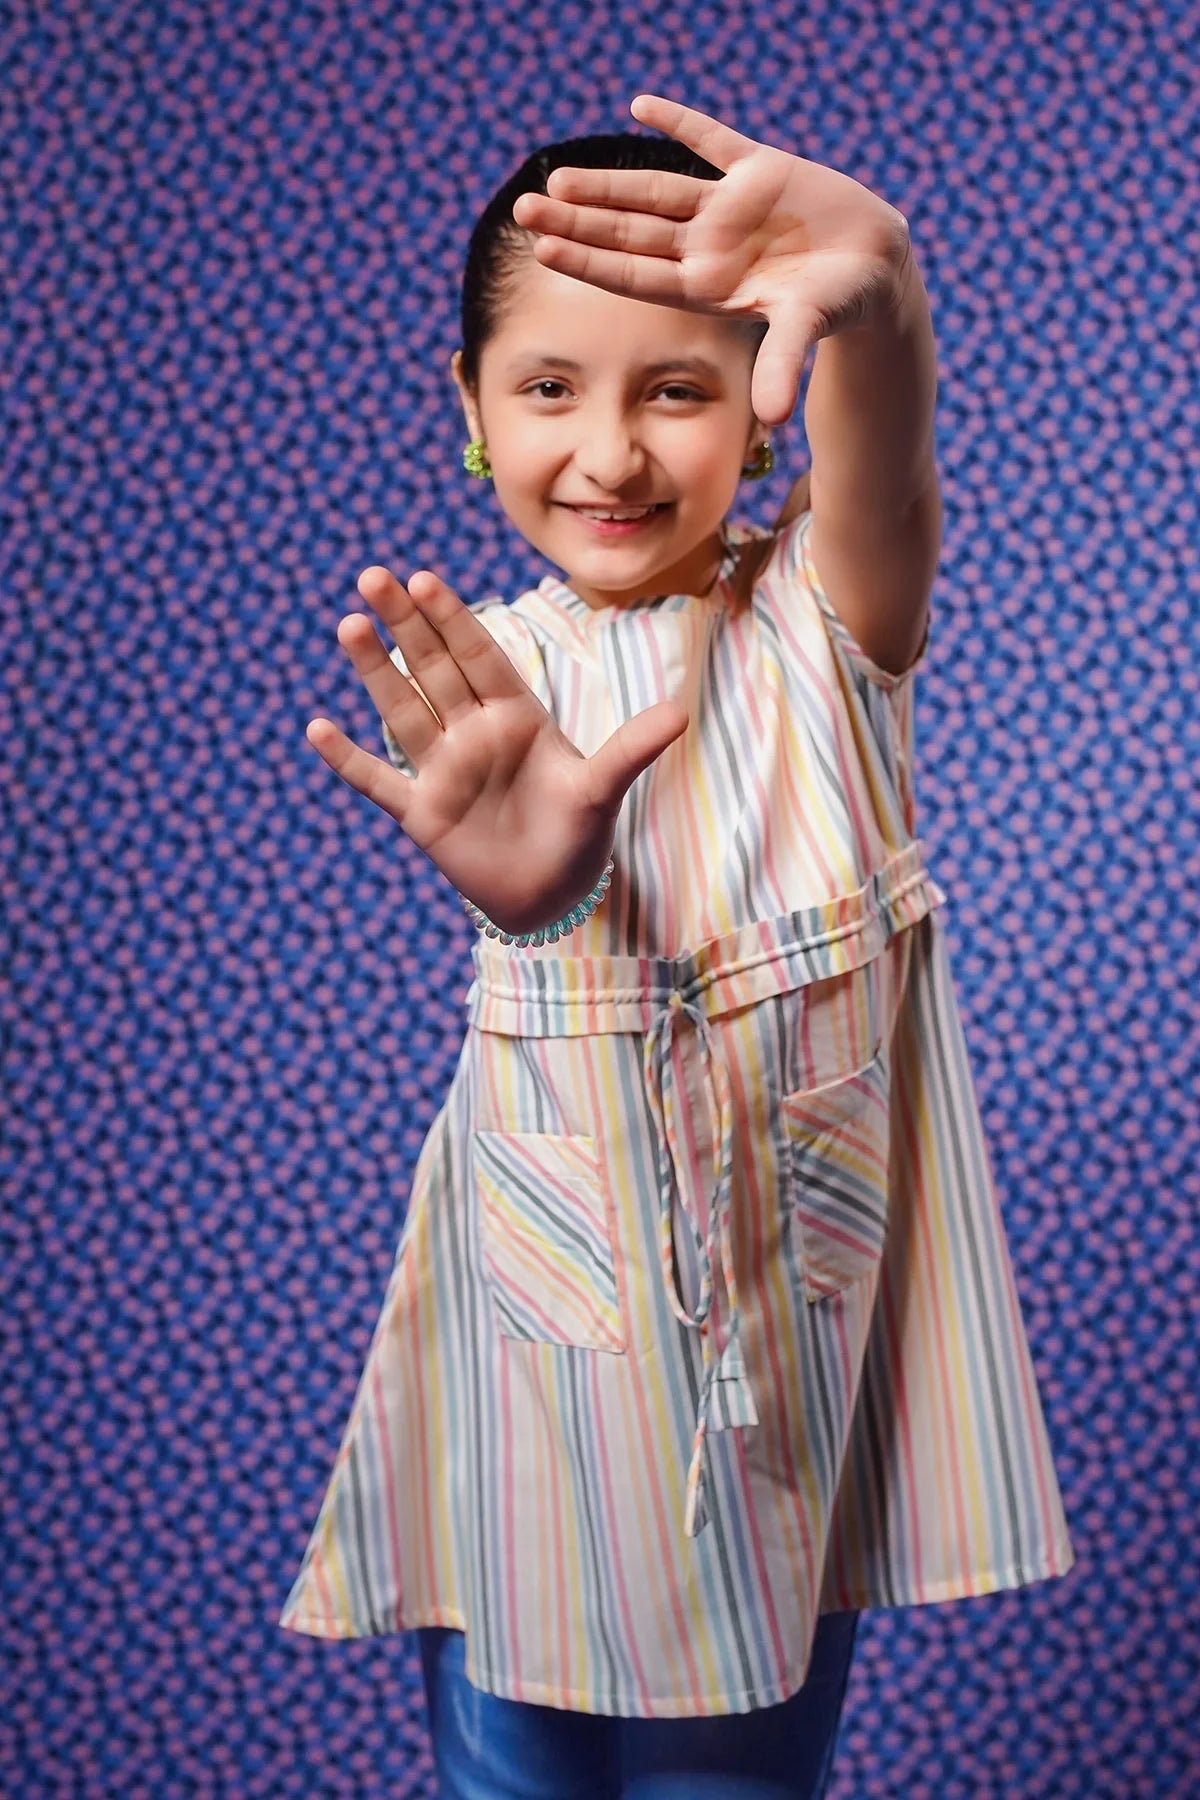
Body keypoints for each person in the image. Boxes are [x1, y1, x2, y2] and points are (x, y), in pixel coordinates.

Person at [278, 95, 1075, 1797]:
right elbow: (533, 909)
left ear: (765, 402)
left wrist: (882, 287)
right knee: (508, 1768)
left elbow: (886, 465)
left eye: (677, 390)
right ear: (471, 407)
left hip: (770, 1355)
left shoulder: (821, 624)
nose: (613, 455)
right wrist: (532, 907)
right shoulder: (484, 679)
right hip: (532, 1340)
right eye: (549, 389)